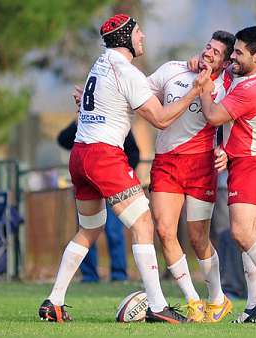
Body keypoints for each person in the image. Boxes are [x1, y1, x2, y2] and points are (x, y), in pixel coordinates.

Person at [38, 14, 210, 323]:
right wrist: (196, 91)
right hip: (103, 155)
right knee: (143, 224)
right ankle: (157, 306)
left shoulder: (100, 64)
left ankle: (54, 301)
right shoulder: (126, 71)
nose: (143, 37)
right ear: (125, 38)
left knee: (89, 229)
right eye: (139, 32)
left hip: (80, 154)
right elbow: (160, 119)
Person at [197, 26, 256, 324]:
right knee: (246, 237)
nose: (233, 58)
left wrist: (201, 87)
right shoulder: (245, 75)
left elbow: (213, 115)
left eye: (239, 53)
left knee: (241, 233)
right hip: (250, 163)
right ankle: (253, 305)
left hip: (255, 166)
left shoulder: (255, 87)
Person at [147, 31, 234, 322]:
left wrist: (226, 150)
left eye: (217, 53)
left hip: (200, 167)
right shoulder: (174, 68)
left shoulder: (228, 85)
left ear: (225, 61)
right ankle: (192, 300)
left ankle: (218, 298)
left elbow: (237, 122)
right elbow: (140, 95)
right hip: (166, 163)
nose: (209, 53)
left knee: (198, 238)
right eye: (208, 47)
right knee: (164, 230)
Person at [56, 120, 139, 282]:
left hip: (113, 186)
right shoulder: (83, 123)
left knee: (114, 232)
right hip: (89, 186)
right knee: (87, 231)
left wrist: (122, 175)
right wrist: (77, 122)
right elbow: (62, 140)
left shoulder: (115, 122)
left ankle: (119, 275)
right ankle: (89, 275)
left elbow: (134, 153)